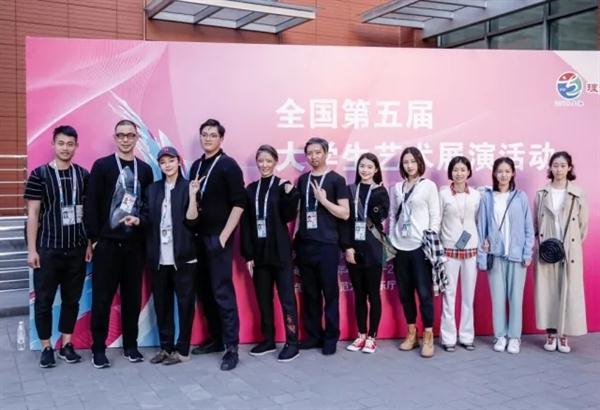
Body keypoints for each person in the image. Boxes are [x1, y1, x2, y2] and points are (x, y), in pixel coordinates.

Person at [84, 119, 154, 368]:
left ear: (137, 138)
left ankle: (131, 346)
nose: (125, 139)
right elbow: (91, 204)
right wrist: (94, 239)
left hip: (134, 246)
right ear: (115, 138)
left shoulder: (144, 170)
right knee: (102, 298)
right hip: (107, 245)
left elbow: (148, 205)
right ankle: (98, 349)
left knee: (132, 299)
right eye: (121, 135)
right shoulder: (102, 166)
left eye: (130, 135)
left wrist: (141, 224)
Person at [24, 125, 92, 368]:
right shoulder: (39, 175)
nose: (65, 148)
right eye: (61, 143)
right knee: (43, 302)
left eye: (70, 144)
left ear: (76, 146)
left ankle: (67, 345)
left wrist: (88, 243)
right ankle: (46, 347)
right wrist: (32, 250)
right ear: (53, 144)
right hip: (48, 250)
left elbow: (88, 213)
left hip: (76, 249)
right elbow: (33, 214)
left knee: (72, 301)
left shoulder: (83, 175)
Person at [126, 147, 197, 365]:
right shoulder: (153, 189)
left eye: (171, 160)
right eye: (163, 162)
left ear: (178, 162)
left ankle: (182, 350)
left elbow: (194, 221)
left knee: (185, 305)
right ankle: (166, 348)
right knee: (162, 305)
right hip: (158, 258)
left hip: (184, 257)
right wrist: (137, 220)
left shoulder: (188, 187)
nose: (167, 165)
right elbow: (147, 217)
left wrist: (193, 196)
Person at [185, 119, 246, 371]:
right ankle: (216, 339)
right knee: (205, 291)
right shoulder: (197, 166)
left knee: (222, 292)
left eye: (213, 135)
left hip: (218, 238)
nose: (208, 138)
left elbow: (239, 203)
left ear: (221, 139)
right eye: (204, 134)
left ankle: (231, 348)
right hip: (198, 237)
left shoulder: (228, 165)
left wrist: (223, 237)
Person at [241, 145, 301, 362]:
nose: (264, 165)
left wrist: (290, 195)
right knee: (263, 299)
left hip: (280, 252)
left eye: (268, 161)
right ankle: (268, 339)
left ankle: (292, 342)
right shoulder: (250, 190)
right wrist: (248, 255)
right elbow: (246, 224)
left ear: (275, 162)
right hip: (259, 254)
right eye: (261, 161)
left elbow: (287, 216)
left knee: (287, 299)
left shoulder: (282, 186)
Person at [295, 137, 350, 356]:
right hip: (305, 243)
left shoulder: (337, 180)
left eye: (317, 152)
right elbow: (300, 212)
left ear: (326, 153)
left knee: (330, 292)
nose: (313, 157)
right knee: (310, 293)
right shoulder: (302, 180)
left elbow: (345, 213)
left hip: (327, 245)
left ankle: (331, 337)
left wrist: (324, 200)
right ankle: (313, 336)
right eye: (309, 153)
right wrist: (295, 238)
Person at [477, 157, 534, 354]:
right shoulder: (487, 197)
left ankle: (514, 337)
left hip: (517, 257)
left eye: (507, 171)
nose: (503, 175)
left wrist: (527, 253)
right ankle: (500, 336)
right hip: (495, 255)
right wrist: (482, 255)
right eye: (500, 171)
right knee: (498, 299)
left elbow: (528, 228)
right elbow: (482, 227)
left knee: (516, 299)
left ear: (513, 174)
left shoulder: (520, 197)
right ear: (494, 173)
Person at [388, 147, 440, 358]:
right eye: (405, 162)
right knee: (405, 293)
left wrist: (430, 241)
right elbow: (393, 215)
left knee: (425, 293)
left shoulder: (428, 186)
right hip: (400, 248)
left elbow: (435, 216)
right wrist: (392, 239)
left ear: (419, 162)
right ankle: (412, 333)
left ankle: (428, 335)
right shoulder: (396, 188)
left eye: (412, 161)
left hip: (420, 248)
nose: (409, 165)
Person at [534, 151, 588, 353]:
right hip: (547, 248)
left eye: (563, 165)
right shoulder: (541, 193)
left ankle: (563, 335)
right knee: (548, 291)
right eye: (555, 165)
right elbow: (536, 222)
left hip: (569, 250)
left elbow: (582, 226)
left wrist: (572, 245)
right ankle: (550, 333)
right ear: (550, 168)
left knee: (568, 291)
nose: (559, 169)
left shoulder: (578, 193)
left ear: (569, 168)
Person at [343, 153, 389, 354]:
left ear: (376, 169)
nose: (365, 170)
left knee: (373, 294)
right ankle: (361, 334)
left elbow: (381, 216)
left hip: (373, 248)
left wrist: (375, 202)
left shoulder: (381, 191)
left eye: (370, 167)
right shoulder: (349, 190)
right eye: (362, 166)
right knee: (359, 295)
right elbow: (344, 221)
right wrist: (347, 247)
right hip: (354, 249)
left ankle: (372, 337)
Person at [439, 156, 480, 352]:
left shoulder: (477, 195)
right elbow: (437, 221)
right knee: (449, 295)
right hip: (449, 251)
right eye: (455, 170)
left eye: (463, 169)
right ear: (450, 172)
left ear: (468, 172)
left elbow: (478, 220)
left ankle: (466, 336)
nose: (459, 173)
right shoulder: (443, 194)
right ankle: (448, 338)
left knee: (468, 296)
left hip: (471, 249)